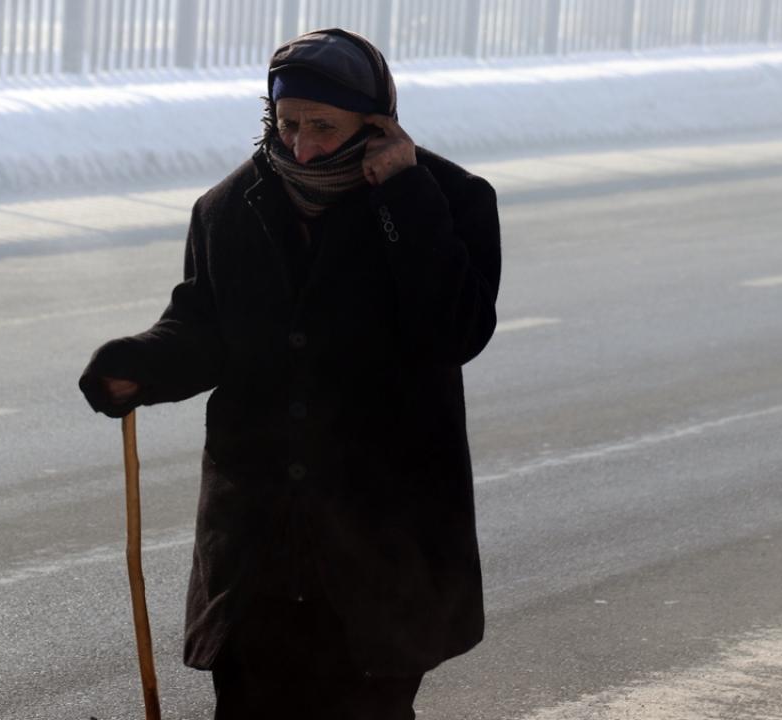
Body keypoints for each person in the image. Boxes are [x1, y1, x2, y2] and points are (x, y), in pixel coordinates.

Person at [80, 28, 501, 719]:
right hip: (258, 548)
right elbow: (205, 328)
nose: (302, 145)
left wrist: (401, 193)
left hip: (382, 547)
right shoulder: (229, 209)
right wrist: (141, 366)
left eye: (324, 127)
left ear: (377, 121)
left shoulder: (448, 201)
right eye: (288, 122)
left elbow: (456, 329)